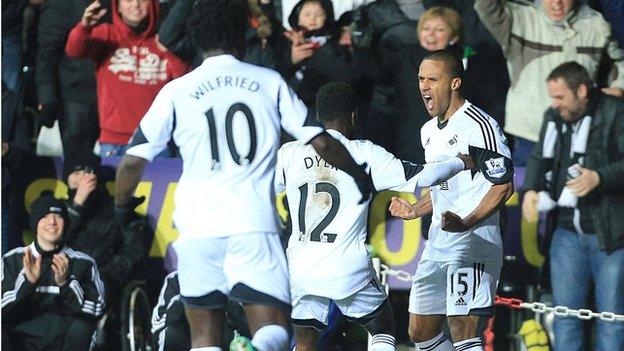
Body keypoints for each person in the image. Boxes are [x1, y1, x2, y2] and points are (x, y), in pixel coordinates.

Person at [113, 1, 374, 350]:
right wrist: (357, 174)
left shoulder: (177, 90)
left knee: (204, 335)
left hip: (196, 227)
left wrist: (122, 206)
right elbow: (322, 142)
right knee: (275, 329)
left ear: (196, 37)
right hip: (253, 224)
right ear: (240, 34)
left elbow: (132, 162)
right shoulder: (268, 82)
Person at [275, 81, 476, 351]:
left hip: (300, 266)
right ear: (354, 115)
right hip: (347, 266)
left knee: (306, 339)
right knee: (382, 325)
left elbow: (266, 189)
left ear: (319, 117)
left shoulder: (290, 153)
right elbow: (424, 176)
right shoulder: (365, 153)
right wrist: (461, 161)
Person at [389, 50, 514, 351]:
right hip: (438, 242)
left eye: (433, 79)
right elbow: (443, 187)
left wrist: (466, 222)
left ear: (455, 82)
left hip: (474, 241)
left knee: (462, 327)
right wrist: (415, 209)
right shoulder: (428, 131)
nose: (424, 86)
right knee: (420, 331)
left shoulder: (479, 126)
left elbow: (504, 186)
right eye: (421, 79)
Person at [521, 62, 624, 351]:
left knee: (612, 319)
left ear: (581, 90)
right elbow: (539, 156)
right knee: (565, 317)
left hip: (609, 234)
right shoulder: (554, 116)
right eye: (552, 97)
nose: (555, 104)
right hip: (565, 232)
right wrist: (530, 188)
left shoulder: (615, 112)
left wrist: (599, 177)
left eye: (560, 97)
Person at [474, 0, 624, 166]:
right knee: (527, 190)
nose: (556, 3)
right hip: (530, 137)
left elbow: (619, 62)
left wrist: (619, 86)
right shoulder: (518, 19)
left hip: (582, 136)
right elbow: (485, 5)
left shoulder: (597, 24)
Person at [65, 0, 188, 157]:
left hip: (155, 142)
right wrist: (84, 27)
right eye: (128, 0)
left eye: (142, 0)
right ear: (118, 6)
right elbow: (74, 50)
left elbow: (183, 83)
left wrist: (171, 52)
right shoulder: (107, 35)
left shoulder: (165, 41)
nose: (135, 4)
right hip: (113, 143)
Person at [1, 195, 106, 351]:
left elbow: (97, 309)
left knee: (83, 328)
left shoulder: (84, 263)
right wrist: (28, 283)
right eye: (45, 216)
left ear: (65, 224)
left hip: (66, 342)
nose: (52, 222)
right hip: (21, 341)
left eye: (58, 216)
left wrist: (66, 284)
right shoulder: (13, 259)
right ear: (35, 223)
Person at [62, 148, 148, 308]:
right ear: (67, 180)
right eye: (75, 174)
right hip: (65, 277)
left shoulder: (118, 210)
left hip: (105, 282)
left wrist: (107, 273)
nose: (81, 178)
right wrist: (77, 206)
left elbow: (135, 251)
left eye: (85, 172)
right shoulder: (59, 211)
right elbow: (53, 245)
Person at [36, 0, 104, 152]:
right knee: (78, 164)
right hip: (76, 97)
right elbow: (48, 53)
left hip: (117, 97)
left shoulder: (119, 3)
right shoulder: (59, 5)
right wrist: (47, 98)